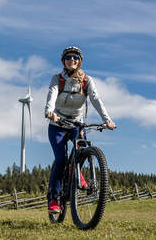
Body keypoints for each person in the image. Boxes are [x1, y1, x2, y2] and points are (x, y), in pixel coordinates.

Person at [44, 46, 116, 214]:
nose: (72, 59)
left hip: (77, 123)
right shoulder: (57, 79)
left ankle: (77, 172)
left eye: (76, 57)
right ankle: (54, 199)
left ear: (80, 61)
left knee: (81, 149)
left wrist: (107, 120)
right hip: (57, 124)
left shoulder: (86, 80)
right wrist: (49, 111)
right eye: (69, 57)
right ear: (63, 61)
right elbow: (52, 94)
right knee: (61, 159)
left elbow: (96, 99)